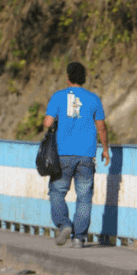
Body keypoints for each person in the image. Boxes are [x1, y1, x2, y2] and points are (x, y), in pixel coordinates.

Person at [42, 62, 110, 248]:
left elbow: (48, 123)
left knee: (57, 192)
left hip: (62, 154)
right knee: (84, 197)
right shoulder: (94, 98)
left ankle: (64, 224)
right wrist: (105, 148)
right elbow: (101, 127)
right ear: (84, 78)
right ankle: (79, 238)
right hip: (86, 155)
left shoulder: (58, 96)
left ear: (68, 77)